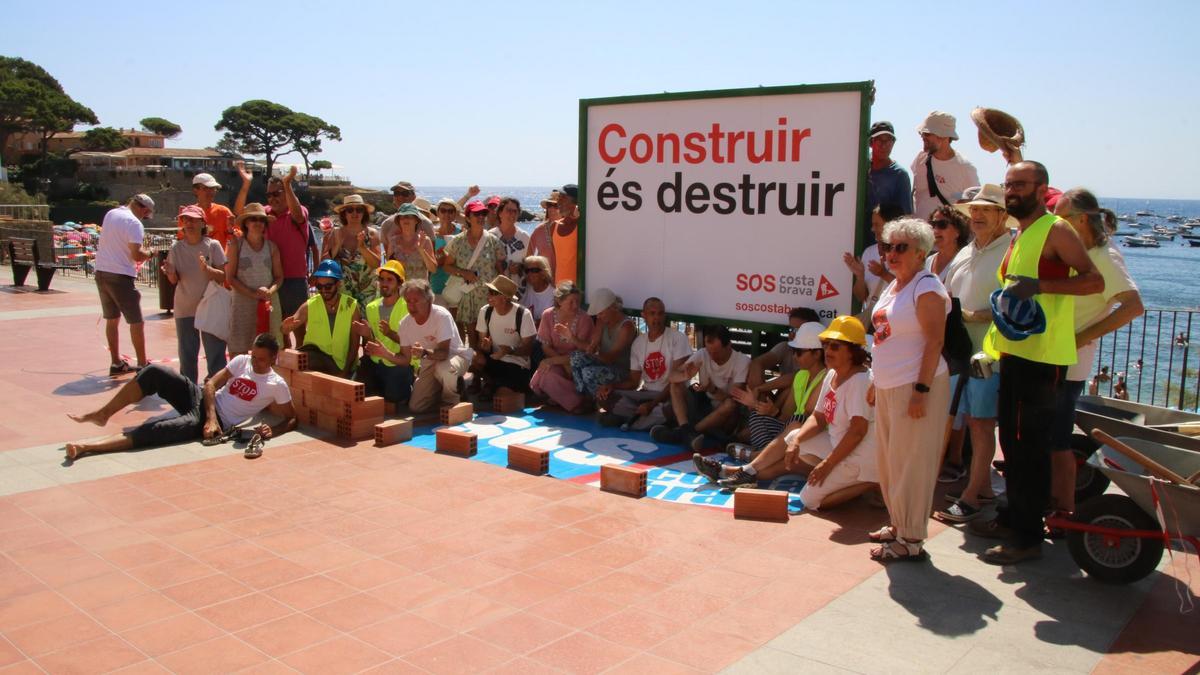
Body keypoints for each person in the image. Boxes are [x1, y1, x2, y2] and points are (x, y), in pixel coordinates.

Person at [972, 161, 1103, 565]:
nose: (1012, 191)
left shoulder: (1056, 230)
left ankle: (1027, 538)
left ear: (1040, 188)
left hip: (1042, 359)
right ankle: (1015, 517)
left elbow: (1093, 281)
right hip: (1016, 353)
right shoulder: (1022, 232)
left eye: (1020, 185)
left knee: (1029, 448)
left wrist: (1042, 286)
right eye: (1009, 184)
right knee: (1011, 443)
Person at [711, 317, 878, 512]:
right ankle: (749, 471)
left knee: (810, 500)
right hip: (837, 444)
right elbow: (818, 417)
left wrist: (827, 463)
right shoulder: (832, 374)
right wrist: (797, 442)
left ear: (853, 351)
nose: (828, 351)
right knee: (792, 438)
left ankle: (873, 481)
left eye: (835, 346)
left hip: (858, 455)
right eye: (826, 345)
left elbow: (857, 432)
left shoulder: (859, 381)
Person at [1049, 188, 1142, 515]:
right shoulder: (1076, 253)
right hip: (1050, 357)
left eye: (1060, 219)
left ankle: (1063, 512)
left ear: (1082, 220)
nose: (1054, 226)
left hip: (1069, 364)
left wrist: (1080, 337)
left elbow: (1132, 307)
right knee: (1048, 440)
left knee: (1057, 443)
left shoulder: (1105, 256)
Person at [65, 333, 296, 460]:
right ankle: (103, 413)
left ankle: (88, 447)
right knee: (155, 372)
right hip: (205, 403)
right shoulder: (241, 361)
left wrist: (273, 431)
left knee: (157, 430)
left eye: (260, 359)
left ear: (274, 359)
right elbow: (210, 384)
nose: (254, 362)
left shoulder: (277, 385)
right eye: (253, 356)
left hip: (218, 423)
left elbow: (292, 418)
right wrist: (211, 416)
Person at [868, 217, 952, 562]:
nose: (892, 254)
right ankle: (899, 521)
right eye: (889, 247)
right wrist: (875, 380)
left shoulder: (927, 286)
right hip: (889, 385)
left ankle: (912, 538)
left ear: (921, 252)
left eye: (901, 248)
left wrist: (921, 390)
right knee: (889, 460)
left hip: (914, 386)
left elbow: (935, 341)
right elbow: (884, 337)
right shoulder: (894, 286)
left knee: (912, 462)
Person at [933, 185, 1013, 523]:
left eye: (986, 210)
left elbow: (1020, 304)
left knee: (982, 424)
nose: (977, 215)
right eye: (974, 210)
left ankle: (973, 496)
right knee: (967, 422)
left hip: (991, 354)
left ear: (1001, 215)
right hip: (961, 352)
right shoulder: (969, 251)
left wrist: (979, 316)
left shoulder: (1011, 249)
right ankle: (979, 488)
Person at [235, 163, 314, 347]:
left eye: (277, 193)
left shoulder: (297, 211)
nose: (272, 198)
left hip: (294, 279)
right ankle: (285, 367)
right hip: (273, 281)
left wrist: (287, 184)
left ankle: (300, 366)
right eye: (269, 194)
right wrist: (246, 185)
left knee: (299, 328)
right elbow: (239, 214)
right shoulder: (265, 214)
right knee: (280, 330)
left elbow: (298, 215)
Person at [730, 322, 828, 455]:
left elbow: (808, 419)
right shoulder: (801, 376)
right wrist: (765, 409)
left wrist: (770, 410)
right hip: (793, 430)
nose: (794, 357)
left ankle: (757, 457)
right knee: (757, 416)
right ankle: (763, 456)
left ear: (817, 354)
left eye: (798, 352)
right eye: (794, 351)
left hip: (812, 434)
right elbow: (785, 417)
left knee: (798, 421)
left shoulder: (827, 376)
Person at [651, 325, 751, 450]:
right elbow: (671, 376)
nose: (712, 357)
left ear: (728, 346)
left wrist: (712, 389)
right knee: (675, 384)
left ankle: (686, 433)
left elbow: (735, 397)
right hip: (703, 404)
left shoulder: (742, 361)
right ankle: (686, 429)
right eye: (710, 352)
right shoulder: (703, 354)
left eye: (717, 352)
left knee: (730, 404)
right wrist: (684, 375)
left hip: (724, 415)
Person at [598, 297, 692, 430]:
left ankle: (630, 421)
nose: (657, 318)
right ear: (644, 316)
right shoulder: (638, 343)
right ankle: (649, 421)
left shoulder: (678, 338)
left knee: (672, 408)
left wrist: (652, 404)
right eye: (652, 314)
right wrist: (612, 386)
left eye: (660, 314)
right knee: (605, 398)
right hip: (646, 395)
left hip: (669, 396)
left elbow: (676, 382)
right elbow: (634, 382)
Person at [163, 205, 228, 383]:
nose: (189, 223)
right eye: (185, 219)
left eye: (193, 219)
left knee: (216, 355)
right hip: (185, 307)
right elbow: (174, 280)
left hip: (210, 306)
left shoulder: (213, 246)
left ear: (203, 223)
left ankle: (216, 391)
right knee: (187, 356)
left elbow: (223, 276)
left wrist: (207, 269)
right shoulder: (176, 249)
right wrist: (169, 272)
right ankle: (188, 393)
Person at [94, 194, 154, 375]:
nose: (144, 218)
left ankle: (116, 362)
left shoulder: (111, 213)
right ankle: (143, 365)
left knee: (111, 319)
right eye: (146, 215)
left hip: (101, 272)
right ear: (144, 209)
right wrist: (150, 252)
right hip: (120, 275)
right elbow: (136, 254)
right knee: (136, 321)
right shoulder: (134, 224)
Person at [398, 278, 474, 413]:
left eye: (415, 301)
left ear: (428, 300)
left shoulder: (441, 315)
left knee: (444, 369)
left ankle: (452, 399)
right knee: (416, 407)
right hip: (429, 362)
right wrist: (383, 353)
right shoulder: (404, 324)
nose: (411, 305)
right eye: (408, 301)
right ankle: (448, 388)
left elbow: (444, 353)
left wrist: (424, 353)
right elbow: (405, 359)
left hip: (454, 357)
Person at [282, 259, 361, 377]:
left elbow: (354, 344)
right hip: (316, 361)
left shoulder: (351, 306)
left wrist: (345, 370)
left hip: (340, 364)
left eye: (328, 286)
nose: (323, 290)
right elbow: (289, 325)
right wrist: (285, 327)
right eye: (320, 286)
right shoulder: (310, 304)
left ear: (338, 284)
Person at [226, 203, 283, 356]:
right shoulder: (236, 245)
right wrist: (253, 294)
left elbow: (279, 277)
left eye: (261, 220)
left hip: (267, 303)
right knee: (238, 348)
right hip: (242, 303)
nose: (257, 223)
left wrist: (268, 292)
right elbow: (230, 277)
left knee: (270, 348)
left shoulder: (272, 247)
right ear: (246, 223)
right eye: (253, 219)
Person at [745, 307, 822, 420]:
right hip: (779, 405)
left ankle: (761, 419)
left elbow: (793, 378)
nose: (791, 334)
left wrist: (761, 389)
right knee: (758, 422)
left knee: (790, 388)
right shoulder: (785, 347)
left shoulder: (824, 374)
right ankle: (759, 416)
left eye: (797, 330)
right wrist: (759, 392)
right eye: (790, 329)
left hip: (792, 414)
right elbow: (757, 363)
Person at [530, 281, 594, 412]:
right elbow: (546, 346)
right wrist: (561, 362)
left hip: (578, 363)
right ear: (559, 301)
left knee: (549, 373)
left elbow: (584, 351)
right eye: (571, 302)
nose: (575, 305)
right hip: (559, 361)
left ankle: (576, 402)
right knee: (544, 375)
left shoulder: (584, 318)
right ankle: (571, 400)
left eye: (578, 301)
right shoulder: (547, 315)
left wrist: (560, 361)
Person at [356, 261, 413, 407]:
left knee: (394, 398)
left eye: (390, 280)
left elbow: (413, 345)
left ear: (400, 283)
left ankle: (406, 390)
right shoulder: (371, 307)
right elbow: (372, 342)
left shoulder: (408, 308)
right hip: (376, 362)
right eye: (381, 279)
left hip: (398, 362)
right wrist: (367, 335)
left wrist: (390, 334)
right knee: (358, 391)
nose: (384, 283)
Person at [443, 200, 505, 333]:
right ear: (468, 218)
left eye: (483, 213)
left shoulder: (493, 241)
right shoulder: (458, 241)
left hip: (488, 297)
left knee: (488, 335)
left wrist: (502, 294)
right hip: (467, 296)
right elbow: (446, 266)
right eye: (476, 214)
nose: (481, 217)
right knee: (471, 336)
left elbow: (500, 268)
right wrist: (463, 273)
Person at [569, 288, 637, 408]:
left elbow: (611, 357)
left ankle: (598, 401)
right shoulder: (602, 321)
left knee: (588, 372)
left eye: (601, 313)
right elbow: (593, 343)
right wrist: (590, 347)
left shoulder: (627, 327)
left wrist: (592, 351)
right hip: (604, 362)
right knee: (575, 357)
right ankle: (585, 396)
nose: (598, 316)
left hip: (622, 370)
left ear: (613, 308)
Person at [471, 275, 536, 397]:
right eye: (489, 292)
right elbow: (481, 345)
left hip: (517, 365)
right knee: (474, 358)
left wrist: (509, 351)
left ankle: (497, 387)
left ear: (505, 298)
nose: (489, 296)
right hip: (494, 359)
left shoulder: (523, 314)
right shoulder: (485, 311)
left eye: (493, 293)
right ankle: (491, 383)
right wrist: (484, 346)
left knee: (502, 397)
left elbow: (528, 350)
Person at [911, 111, 980, 223]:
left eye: (927, 133)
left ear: (944, 137)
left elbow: (975, 205)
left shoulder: (965, 167)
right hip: (920, 234)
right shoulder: (920, 159)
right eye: (922, 133)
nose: (923, 137)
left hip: (947, 237)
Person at [845, 203, 905, 328]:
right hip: (873, 324)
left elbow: (910, 288)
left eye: (877, 224)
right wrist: (860, 276)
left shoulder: (908, 252)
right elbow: (861, 297)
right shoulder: (869, 252)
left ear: (891, 224)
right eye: (872, 224)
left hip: (897, 323)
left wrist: (884, 274)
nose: (872, 229)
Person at [323, 194, 382, 308]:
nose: (354, 213)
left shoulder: (372, 234)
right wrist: (337, 245)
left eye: (359, 210)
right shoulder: (334, 234)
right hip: (342, 292)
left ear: (364, 213)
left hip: (367, 293)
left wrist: (362, 248)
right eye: (350, 210)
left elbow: (376, 263)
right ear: (344, 213)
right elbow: (324, 263)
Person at [865, 121, 913, 239]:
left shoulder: (900, 175)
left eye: (888, 140)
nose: (884, 145)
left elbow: (905, 217)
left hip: (884, 244)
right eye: (879, 140)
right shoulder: (858, 167)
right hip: (856, 240)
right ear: (871, 143)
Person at [386, 203, 437, 284]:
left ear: (416, 220)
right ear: (399, 221)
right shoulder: (393, 241)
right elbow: (389, 268)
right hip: (399, 290)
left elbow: (433, 269)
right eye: (402, 217)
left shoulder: (425, 240)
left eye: (409, 216)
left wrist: (421, 250)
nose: (405, 219)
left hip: (419, 291)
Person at [925, 206, 971, 282]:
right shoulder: (928, 261)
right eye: (932, 224)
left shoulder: (964, 261)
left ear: (958, 230)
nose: (935, 230)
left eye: (942, 224)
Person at [489, 197, 531, 282]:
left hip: (519, 290)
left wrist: (519, 268)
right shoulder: (490, 236)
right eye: (508, 210)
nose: (512, 214)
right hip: (494, 289)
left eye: (515, 211)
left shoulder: (524, 237)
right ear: (500, 213)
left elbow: (530, 265)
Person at [191, 173, 236, 250]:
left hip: (220, 260)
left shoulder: (224, 212)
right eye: (206, 188)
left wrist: (230, 231)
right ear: (195, 191)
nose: (210, 192)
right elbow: (182, 239)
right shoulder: (189, 213)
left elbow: (236, 237)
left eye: (213, 189)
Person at [430, 198, 460, 302]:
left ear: (455, 214)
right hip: (436, 285)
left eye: (450, 211)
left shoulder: (461, 234)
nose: (446, 214)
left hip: (457, 287)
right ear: (437, 213)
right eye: (443, 210)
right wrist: (439, 257)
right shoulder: (431, 235)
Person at [551, 184, 580, 284]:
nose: (558, 202)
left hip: (577, 288)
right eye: (559, 198)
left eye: (563, 198)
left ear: (575, 203)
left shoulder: (583, 227)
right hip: (559, 288)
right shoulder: (554, 226)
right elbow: (554, 260)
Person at [527, 191, 561, 277]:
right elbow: (529, 256)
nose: (552, 209)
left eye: (555, 206)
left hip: (564, 278)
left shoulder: (569, 229)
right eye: (550, 205)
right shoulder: (539, 230)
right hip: (544, 280)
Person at [519, 256, 556, 324]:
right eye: (527, 271)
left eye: (534, 270)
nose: (529, 274)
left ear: (544, 273)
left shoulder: (553, 295)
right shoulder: (526, 286)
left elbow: (543, 323)